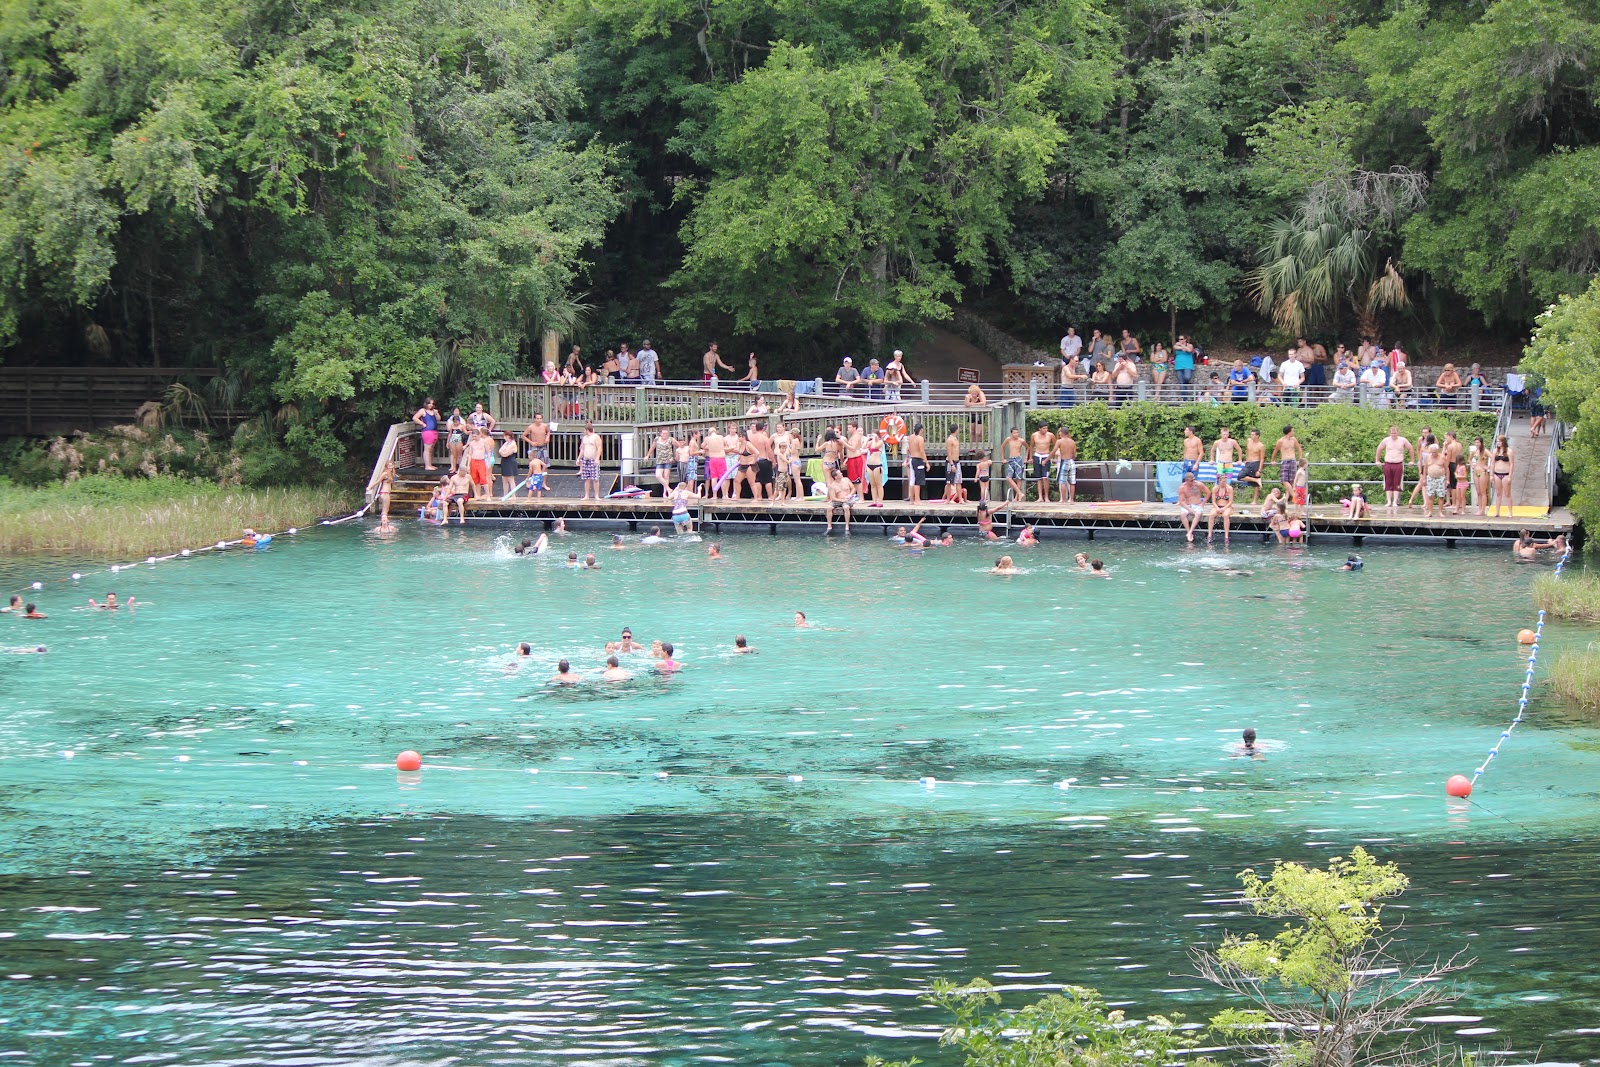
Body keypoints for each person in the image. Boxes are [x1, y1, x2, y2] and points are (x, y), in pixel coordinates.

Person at [1373, 425, 1415, 512]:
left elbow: (1410, 448)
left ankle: (1395, 501)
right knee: (1388, 482)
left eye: (1395, 433)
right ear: (1390, 433)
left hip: (1398, 463)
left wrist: (1412, 460)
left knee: (1397, 483)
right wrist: (1377, 460)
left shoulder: (1402, 440)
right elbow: (1379, 449)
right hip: (1388, 463)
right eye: (1392, 433)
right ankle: (1389, 501)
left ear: (1398, 433)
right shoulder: (1386, 440)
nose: (1393, 434)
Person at [1177, 472, 1210, 543]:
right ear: (1186, 480)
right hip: (1187, 505)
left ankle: (1190, 532)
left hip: (1197, 504)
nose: (1193, 482)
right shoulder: (1182, 488)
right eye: (1191, 481)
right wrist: (1189, 509)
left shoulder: (1198, 484)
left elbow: (1208, 493)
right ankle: (1188, 532)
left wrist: (1203, 503)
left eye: (1194, 479)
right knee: (1183, 514)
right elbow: (1181, 501)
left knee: (1198, 513)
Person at [464, 427, 495, 501]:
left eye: (475, 436)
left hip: (481, 461)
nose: (474, 438)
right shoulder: (471, 443)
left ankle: (488, 495)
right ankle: (478, 495)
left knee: (483, 479)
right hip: (473, 461)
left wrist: (488, 462)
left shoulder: (484, 442)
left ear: (479, 435)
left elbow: (488, 452)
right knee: (475, 479)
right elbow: (470, 454)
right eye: (473, 436)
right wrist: (468, 465)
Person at [412, 397, 441, 471]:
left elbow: (439, 419)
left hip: (434, 431)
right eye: (429, 403)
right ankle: (427, 466)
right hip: (427, 431)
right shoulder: (423, 410)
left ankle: (430, 464)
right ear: (426, 403)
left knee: (431, 449)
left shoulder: (433, 411)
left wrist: (436, 413)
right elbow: (415, 418)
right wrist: (422, 423)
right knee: (427, 449)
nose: (431, 405)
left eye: (432, 403)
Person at [824, 467, 856, 533]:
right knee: (829, 508)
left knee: (846, 507)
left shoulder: (846, 480)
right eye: (839, 473)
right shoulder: (832, 486)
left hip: (847, 499)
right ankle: (829, 526)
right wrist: (841, 500)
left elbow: (853, 488)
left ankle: (847, 527)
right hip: (838, 500)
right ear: (835, 477)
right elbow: (833, 498)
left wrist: (850, 495)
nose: (841, 473)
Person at [1490, 435, 1514, 517]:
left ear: (1503, 442)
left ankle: (1510, 511)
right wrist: (1491, 474)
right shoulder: (1495, 451)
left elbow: (1511, 464)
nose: (1498, 443)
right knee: (1498, 493)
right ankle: (1497, 511)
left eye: (1499, 441)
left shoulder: (1509, 451)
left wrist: (1510, 476)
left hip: (1506, 474)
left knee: (1507, 494)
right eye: (1497, 441)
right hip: (1497, 473)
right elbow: (1492, 463)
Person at [578, 422, 603, 500]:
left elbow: (599, 448)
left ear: (587, 430)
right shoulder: (584, 438)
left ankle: (596, 496)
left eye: (584, 430)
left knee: (595, 479)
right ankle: (586, 495)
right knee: (586, 478)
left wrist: (597, 458)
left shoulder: (596, 437)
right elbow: (582, 449)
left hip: (593, 459)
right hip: (586, 459)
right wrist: (579, 458)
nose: (584, 432)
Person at [905, 422, 928, 504]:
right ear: (921, 430)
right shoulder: (920, 438)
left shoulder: (911, 437)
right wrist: (927, 462)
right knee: (918, 481)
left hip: (912, 459)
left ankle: (911, 500)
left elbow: (909, 448)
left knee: (912, 480)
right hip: (918, 460)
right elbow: (922, 451)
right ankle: (917, 500)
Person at [1208, 475, 1234, 544]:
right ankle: (1209, 535)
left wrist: (1224, 508)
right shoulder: (1215, 489)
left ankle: (1226, 536)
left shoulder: (1229, 488)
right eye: (1223, 481)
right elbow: (1213, 501)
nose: (1224, 483)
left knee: (1225, 515)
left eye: (1225, 481)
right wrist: (1217, 508)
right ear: (1219, 481)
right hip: (1217, 506)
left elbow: (1230, 501)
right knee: (1211, 515)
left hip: (1227, 506)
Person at [1053, 429, 1078, 504]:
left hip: (1064, 461)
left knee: (1062, 481)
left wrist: (1047, 460)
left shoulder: (1059, 441)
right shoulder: (1072, 442)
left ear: (1062, 433)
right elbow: (1074, 454)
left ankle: (1063, 500)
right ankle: (1071, 500)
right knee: (1072, 482)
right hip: (1071, 461)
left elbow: (1053, 451)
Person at [1002, 428, 1026, 502]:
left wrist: (1026, 458)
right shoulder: (1008, 439)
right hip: (1011, 459)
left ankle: (1017, 497)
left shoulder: (1021, 440)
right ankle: (1019, 492)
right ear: (1011, 433)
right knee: (1009, 477)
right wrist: (1003, 458)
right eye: (1015, 433)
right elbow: (1002, 446)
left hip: (1018, 459)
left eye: (1017, 433)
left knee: (1019, 478)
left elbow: (1028, 448)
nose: (1016, 434)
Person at [496, 432, 521, 498]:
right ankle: (505, 495)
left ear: (508, 436)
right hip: (504, 461)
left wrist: (502, 452)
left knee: (510, 478)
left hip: (510, 461)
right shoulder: (506, 443)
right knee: (504, 478)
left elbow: (505, 454)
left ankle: (513, 496)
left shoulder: (513, 443)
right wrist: (502, 452)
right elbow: (500, 450)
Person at [1469, 435, 1490, 516]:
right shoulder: (1474, 451)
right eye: (1475, 442)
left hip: (1482, 472)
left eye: (1478, 442)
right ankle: (1480, 508)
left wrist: (1488, 467)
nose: (1477, 444)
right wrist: (1472, 465)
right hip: (1476, 471)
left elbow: (1493, 457)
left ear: (1481, 443)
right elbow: (1469, 459)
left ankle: (1483, 509)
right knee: (1478, 492)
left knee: (1483, 491)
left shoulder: (1485, 451)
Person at [444, 406, 468, 473]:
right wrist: (447, 442)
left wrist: (471, 431)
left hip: (459, 440)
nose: (456, 423)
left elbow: (466, 432)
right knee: (454, 455)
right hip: (452, 440)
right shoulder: (452, 426)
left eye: (457, 422)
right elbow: (450, 434)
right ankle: (453, 468)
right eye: (454, 422)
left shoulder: (461, 426)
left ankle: (460, 468)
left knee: (459, 455)